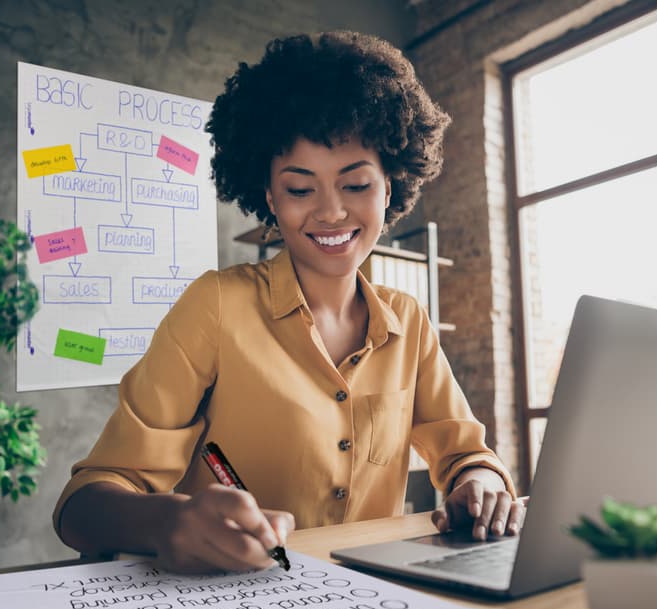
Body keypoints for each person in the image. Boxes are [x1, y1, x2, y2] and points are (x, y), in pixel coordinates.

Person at [54, 31, 523, 574]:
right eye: (301, 190)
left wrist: (480, 483)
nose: (330, 212)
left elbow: (465, 454)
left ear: (389, 189)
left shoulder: (408, 321)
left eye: (356, 185)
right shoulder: (217, 306)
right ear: (270, 198)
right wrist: (167, 522)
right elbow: (83, 505)